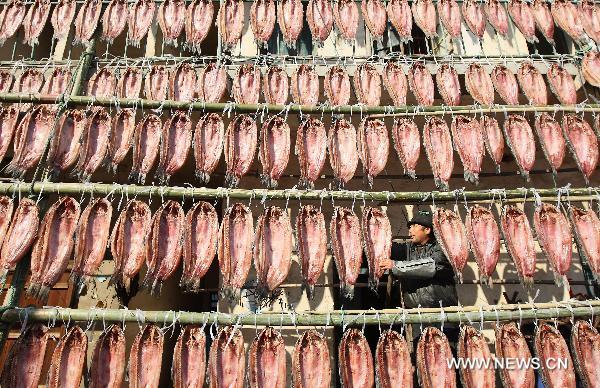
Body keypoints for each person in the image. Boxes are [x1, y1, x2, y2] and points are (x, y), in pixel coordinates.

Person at [379, 210, 458, 309]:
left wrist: (396, 266)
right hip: (415, 314)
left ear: (427, 230)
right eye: (410, 227)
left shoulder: (443, 248)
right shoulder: (407, 249)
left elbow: (431, 266)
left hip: (442, 313)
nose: (410, 230)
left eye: (414, 226)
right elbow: (382, 247)